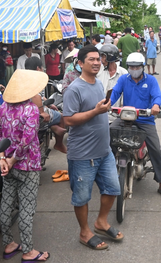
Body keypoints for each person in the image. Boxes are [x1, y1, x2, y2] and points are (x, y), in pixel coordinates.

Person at [62, 45, 122, 251]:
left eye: (99, 59)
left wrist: (104, 109)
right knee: (81, 197)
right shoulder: (74, 89)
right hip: (82, 155)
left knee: (113, 188)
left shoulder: (98, 84)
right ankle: (85, 232)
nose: (97, 62)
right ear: (80, 63)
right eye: (91, 59)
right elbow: (68, 120)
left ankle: (101, 222)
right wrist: (96, 112)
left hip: (104, 151)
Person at [0, 69, 50, 262]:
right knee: (26, 207)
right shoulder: (31, 109)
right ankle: (28, 251)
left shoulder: (3, 107)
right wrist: (13, 159)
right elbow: (27, 140)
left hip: (6, 165)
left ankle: (8, 244)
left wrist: (2, 158)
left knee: (7, 204)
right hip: (27, 166)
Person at [110, 52, 161, 199]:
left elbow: (157, 95)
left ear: (142, 67)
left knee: (155, 148)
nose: (133, 69)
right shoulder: (124, 79)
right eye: (131, 66)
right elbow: (115, 93)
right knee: (109, 133)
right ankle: (109, 170)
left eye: (136, 66)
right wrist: (107, 105)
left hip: (145, 119)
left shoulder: (151, 81)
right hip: (126, 117)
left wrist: (156, 105)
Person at [26, 56, 67, 153]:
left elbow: (42, 97)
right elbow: (37, 97)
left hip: (23, 111)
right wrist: (42, 110)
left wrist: (48, 103)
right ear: (38, 68)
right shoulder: (38, 80)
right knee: (61, 117)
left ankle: (51, 127)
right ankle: (59, 144)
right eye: (41, 68)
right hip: (37, 111)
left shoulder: (23, 79)